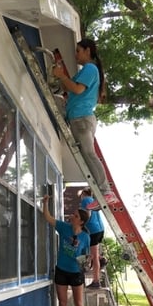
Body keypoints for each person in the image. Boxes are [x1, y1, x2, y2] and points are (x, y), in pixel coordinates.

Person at [52, 38, 118, 210]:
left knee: (89, 153)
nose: (76, 55)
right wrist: (60, 79)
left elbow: (77, 89)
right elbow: (69, 88)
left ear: (88, 51)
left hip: (82, 119)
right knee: (87, 155)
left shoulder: (90, 68)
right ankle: (103, 192)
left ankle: (106, 191)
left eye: (78, 51)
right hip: (77, 117)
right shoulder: (86, 71)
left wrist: (62, 76)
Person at [41, 195, 91, 306]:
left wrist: (85, 263)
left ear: (81, 221)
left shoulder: (85, 237)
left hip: (76, 273)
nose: (71, 216)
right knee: (62, 302)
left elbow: (86, 256)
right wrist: (45, 203)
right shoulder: (64, 227)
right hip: (61, 270)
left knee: (78, 303)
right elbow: (48, 218)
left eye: (75, 216)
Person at [79, 188, 105, 288]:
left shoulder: (85, 200)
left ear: (83, 194)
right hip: (100, 229)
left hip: (92, 230)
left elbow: (87, 214)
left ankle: (96, 281)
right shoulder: (94, 201)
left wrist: (81, 224)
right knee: (93, 253)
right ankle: (100, 259)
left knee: (93, 256)